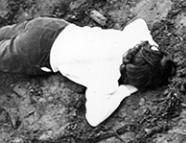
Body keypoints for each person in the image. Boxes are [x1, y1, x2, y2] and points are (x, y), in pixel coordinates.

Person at [0, 17, 176, 127]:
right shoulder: (107, 81)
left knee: (6, 33)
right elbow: (94, 118)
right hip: (36, 52)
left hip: (50, 25)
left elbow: (139, 23)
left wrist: (151, 49)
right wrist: (125, 90)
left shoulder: (131, 40)